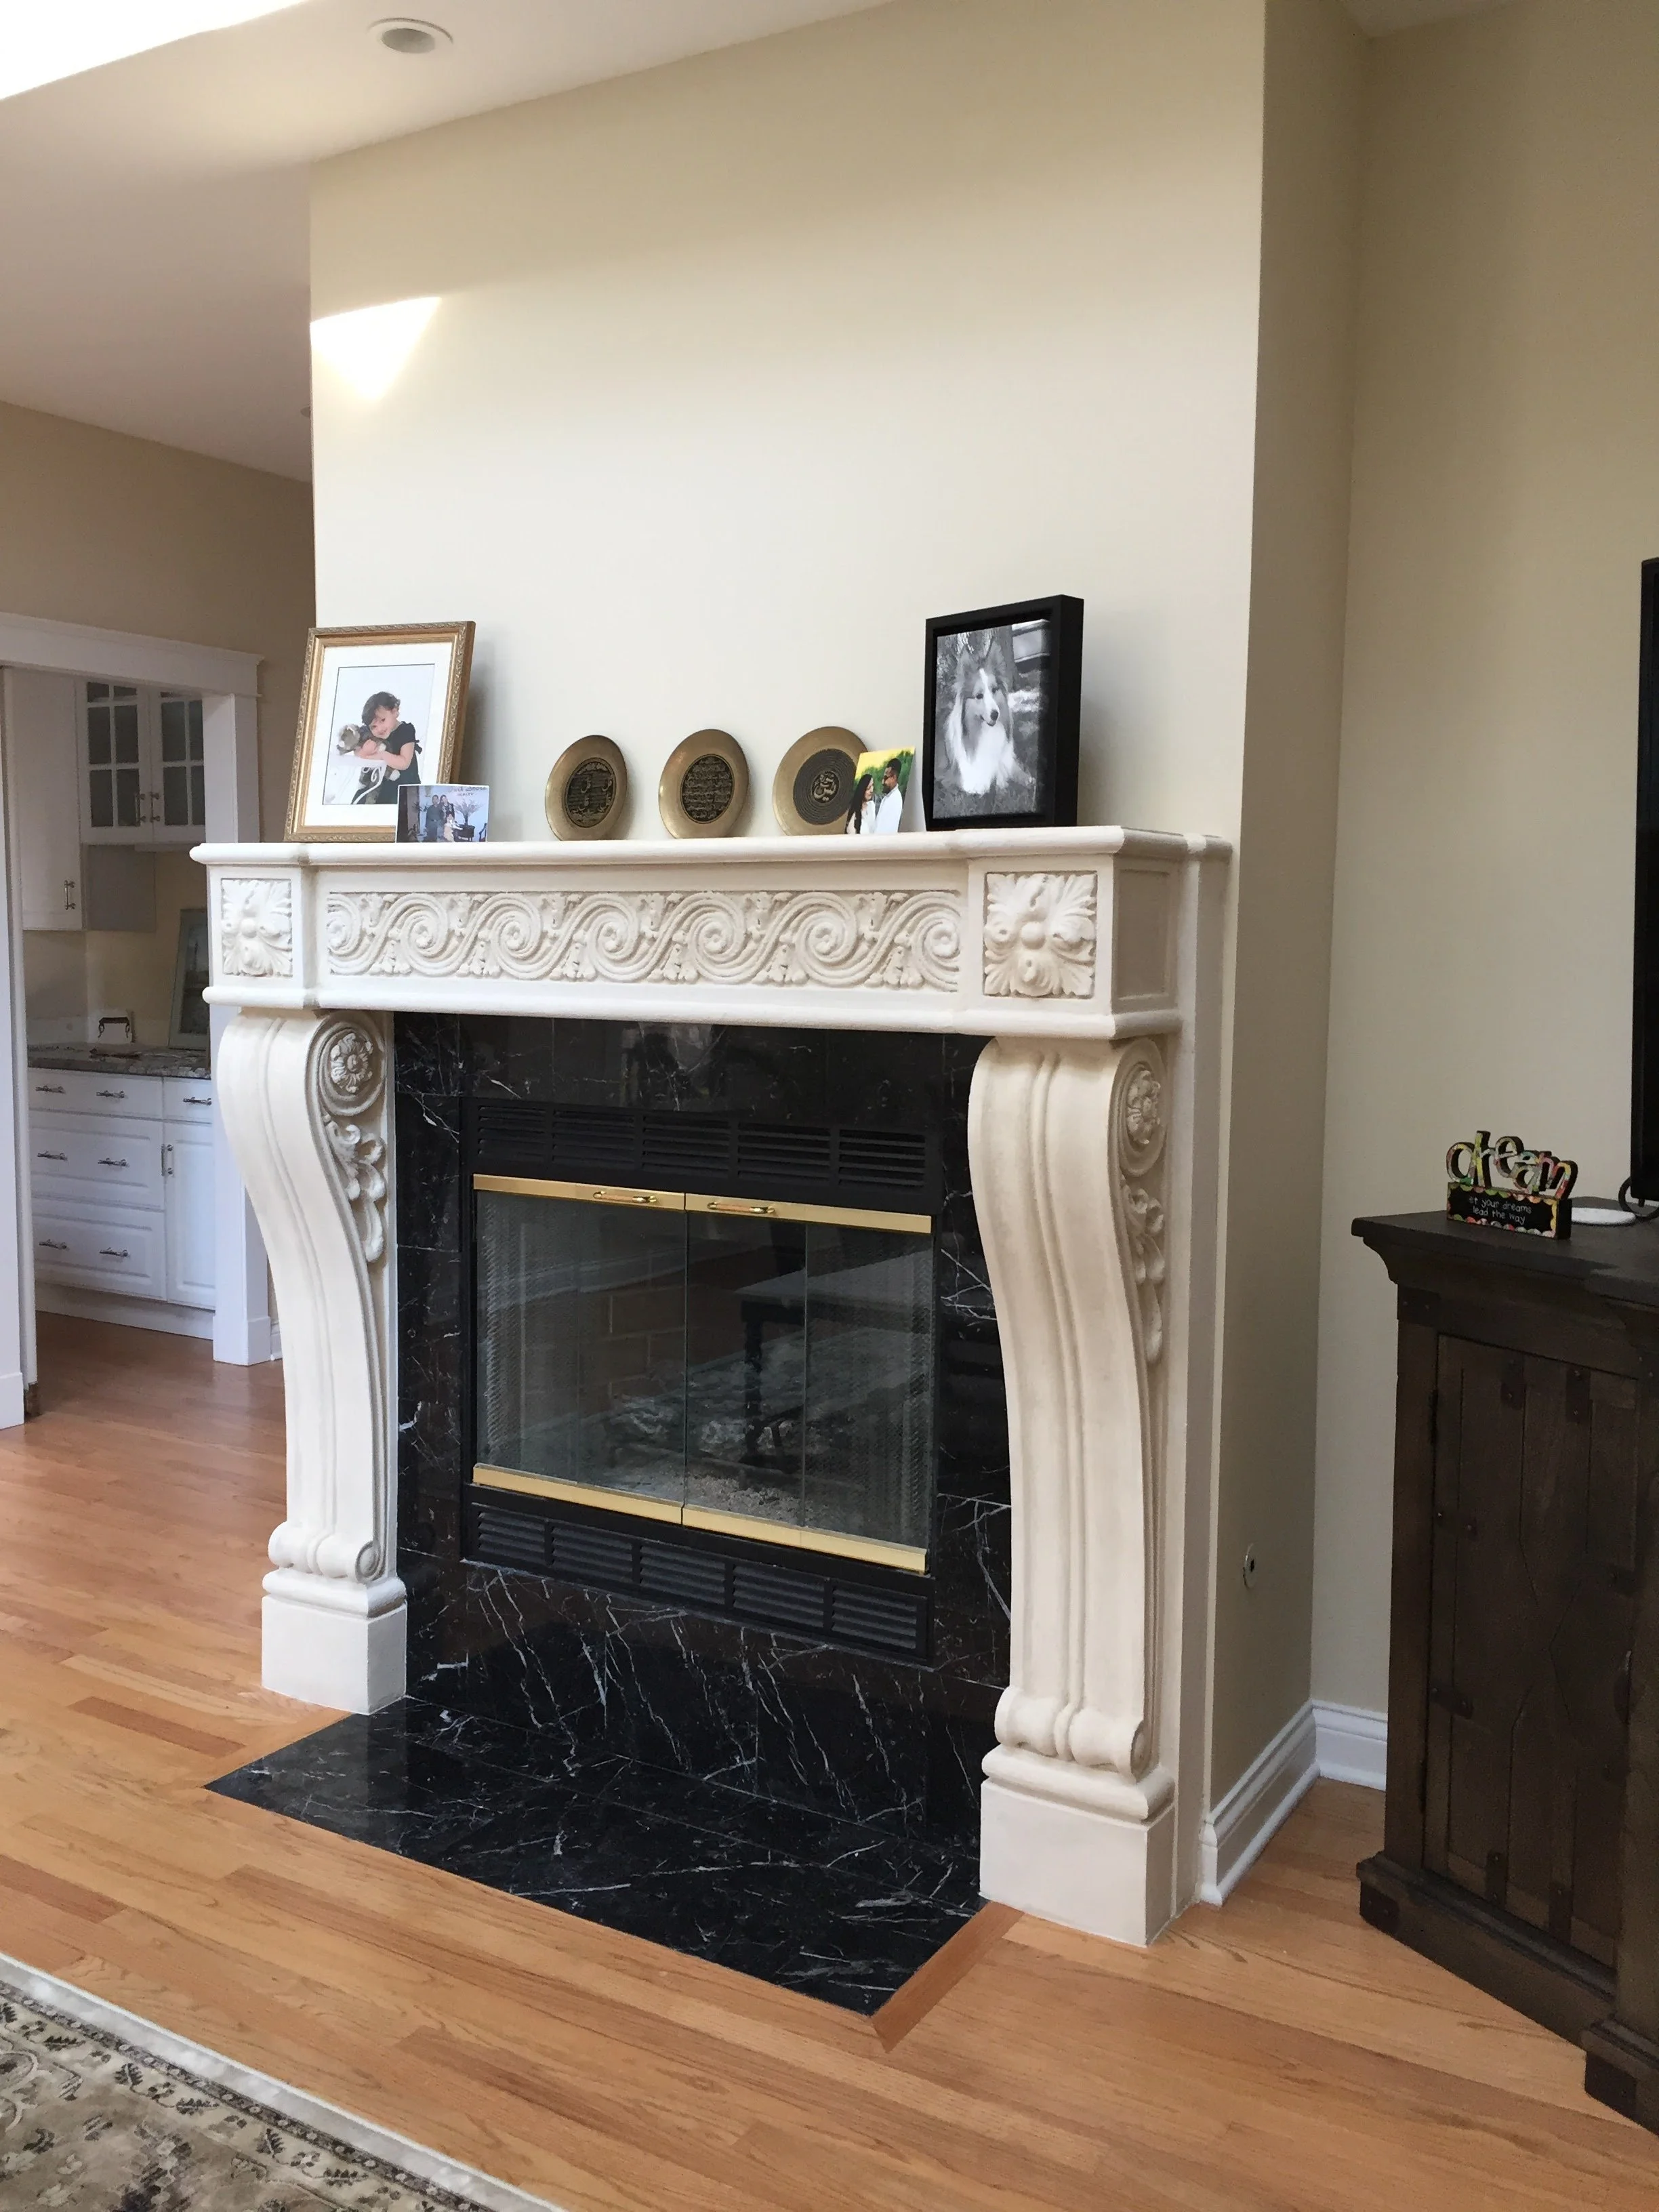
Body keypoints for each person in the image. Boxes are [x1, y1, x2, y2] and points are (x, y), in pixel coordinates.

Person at [347, 691, 421, 805]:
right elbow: (357, 752)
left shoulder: (406, 730)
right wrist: (365, 752)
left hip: (402, 787)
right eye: (374, 726)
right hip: (376, 785)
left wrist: (381, 755)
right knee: (359, 805)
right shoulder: (370, 734)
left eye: (383, 720)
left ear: (395, 712)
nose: (379, 729)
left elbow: (404, 763)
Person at [872, 755, 906, 833]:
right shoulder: (888, 797)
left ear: (894, 778)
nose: (883, 782)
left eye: (886, 778)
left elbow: (887, 830)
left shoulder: (895, 799)